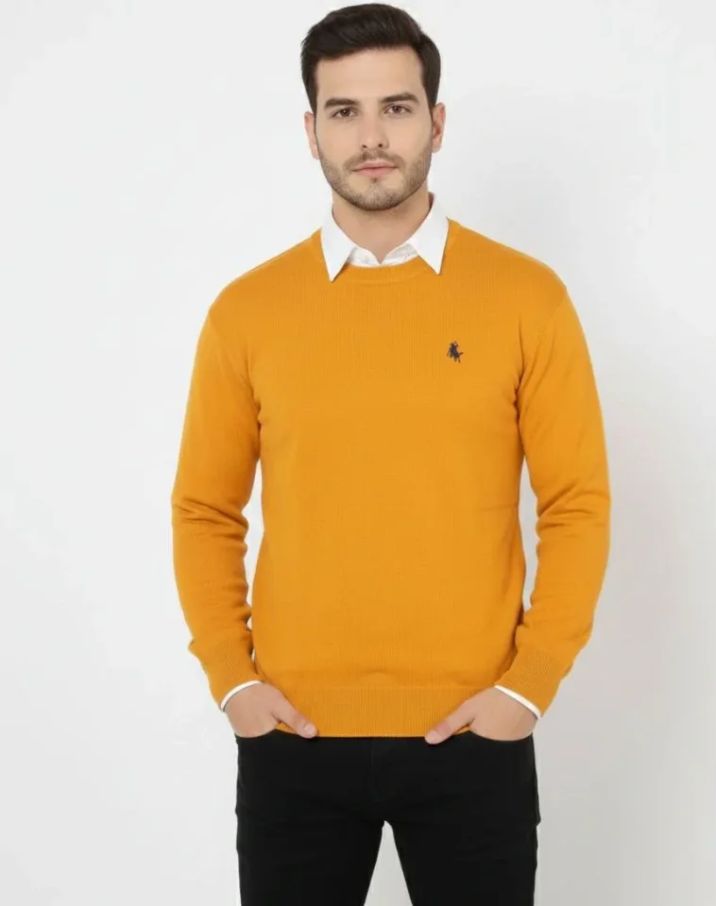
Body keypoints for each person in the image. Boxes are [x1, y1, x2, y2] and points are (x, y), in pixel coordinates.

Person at [170, 4, 611, 903]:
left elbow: (576, 502)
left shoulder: (527, 298)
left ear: (436, 123)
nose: (371, 137)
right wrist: (232, 680)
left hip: (475, 733)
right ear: (312, 131)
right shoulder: (247, 312)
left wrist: (527, 688)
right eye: (345, 111)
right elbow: (205, 509)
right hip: (291, 737)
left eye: (397, 108)